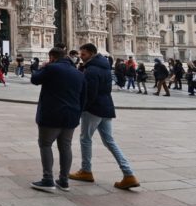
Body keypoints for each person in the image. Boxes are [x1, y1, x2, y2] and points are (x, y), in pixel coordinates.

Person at [70, 43, 140, 190]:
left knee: (85, 139)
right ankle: (129, 173)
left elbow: (90, 93)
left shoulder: (92, 70)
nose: (80, 58)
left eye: (83, 55)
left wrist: (81, 108)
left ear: (91, 53)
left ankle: (86, 171)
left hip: (93, 109)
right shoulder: (104, 66)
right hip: (107, 106)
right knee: (109, 141)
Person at [30, 47, 86, 192]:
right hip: (71, 116)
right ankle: (64, 180)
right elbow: (84, 97)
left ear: (52, 57)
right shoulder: (79, 74)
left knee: (45, 144)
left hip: (51, 115)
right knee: (65, 147)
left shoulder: (52, 68)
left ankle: (48, 179)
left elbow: (35, 79)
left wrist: (42, 68)